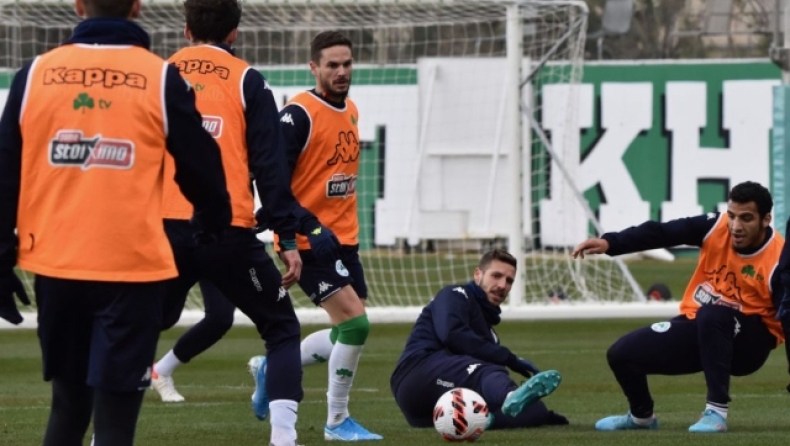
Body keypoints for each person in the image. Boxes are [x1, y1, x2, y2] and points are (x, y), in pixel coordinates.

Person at [0, 0, 233, 444]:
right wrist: (213, 220)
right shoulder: (160, 77)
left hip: (57, 267)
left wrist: (0, 256)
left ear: (78, 5)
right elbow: (202, 166)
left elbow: (6, 170)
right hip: (132, 270)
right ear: (137, 7)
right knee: (115, 425)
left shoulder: (35, 75)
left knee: (67, 409)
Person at [150, 2, 339, 445]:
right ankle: (283, 439)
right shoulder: (248, 80)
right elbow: (271, 168)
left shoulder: (156, 74)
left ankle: (102, 436)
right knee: (282, 329)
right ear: (234, 33)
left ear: (186, 29)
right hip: (227, 230)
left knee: (134, 328)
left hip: (164, 229)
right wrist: (286, 237)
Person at [247, 31, 382, 441]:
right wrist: (291, 236)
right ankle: (336, 421)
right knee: (356, 326)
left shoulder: (351, 109)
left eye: (347, 64)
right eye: (332, 65)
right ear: (314, 67)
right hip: (309, 242)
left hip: (344, 239)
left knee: (345, 329)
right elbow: (274, 184)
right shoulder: (298, 115)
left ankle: (271, 366)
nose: (341, 72)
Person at [572, 180, 785, 433]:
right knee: (621, 354)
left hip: (750, 345)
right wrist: (612, 243)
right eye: (732, 216)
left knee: (713, 314)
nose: (736, 226)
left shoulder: (780, 260)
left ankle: (716, 412)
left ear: (766, 219)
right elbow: (662, 232)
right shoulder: (714, 227)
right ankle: (641, 417)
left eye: (746, 218)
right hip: (704, 326)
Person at [390, 249, 567, 430]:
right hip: (416, 376)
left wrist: (542, 415)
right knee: (486, 371)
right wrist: (510, 359)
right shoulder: (455, 294)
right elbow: (452, 335)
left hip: (436, 409)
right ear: (478, 274)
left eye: (509, 281)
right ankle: (509, 396)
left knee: (534, 410)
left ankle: (481, 419)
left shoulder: (490, 335)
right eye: (496, 276)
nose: (502, 285)